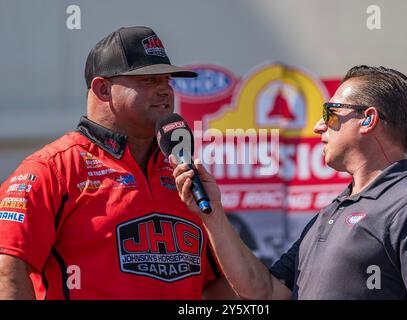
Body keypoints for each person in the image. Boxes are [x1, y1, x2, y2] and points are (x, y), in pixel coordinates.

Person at [171, 65, 407, 299]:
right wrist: (212, 214)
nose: (318, 125)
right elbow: (265, 291)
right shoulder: (332, 212)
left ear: (368, 119)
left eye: (330, 112)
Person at [0, 26, 235, 300]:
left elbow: (220, 281)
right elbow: (8, 271)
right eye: (150, 81)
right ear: (102, 88)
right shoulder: (51, 170)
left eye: (167, 81)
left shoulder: (183, 172)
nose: (165, 91)